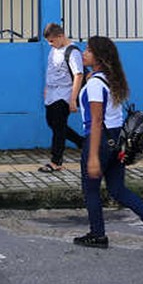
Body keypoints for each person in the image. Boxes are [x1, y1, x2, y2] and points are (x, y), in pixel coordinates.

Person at [75, 35, 143, 255]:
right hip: (117, 140)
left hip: (99, 140)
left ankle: (97, 234)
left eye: (88, 50)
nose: (83, 52)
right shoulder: (108, 79)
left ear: (97, 57)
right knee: (117, 189)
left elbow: (97, 120)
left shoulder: (97, 84)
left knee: (91, 190)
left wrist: (93, 157)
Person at [40, 23, 85, 172]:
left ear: (60, 36)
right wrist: (47, 88)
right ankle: (82, 142)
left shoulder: (73, 52)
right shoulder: (53, 50)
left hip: (64, 95)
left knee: (59, 127)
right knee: (52, 123)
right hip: (52, 94)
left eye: (52, 40)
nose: (50, 44)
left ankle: (56, 161)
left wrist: (73, 98)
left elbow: (78, 75)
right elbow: (51, 70)